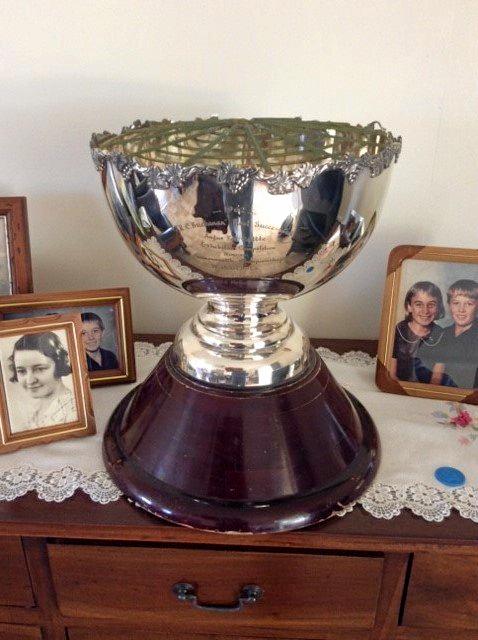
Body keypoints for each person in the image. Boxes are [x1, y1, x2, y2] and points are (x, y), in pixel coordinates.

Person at [8, 332, 78, 431]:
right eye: (21, 371)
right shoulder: (34, 409)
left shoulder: (74, 411)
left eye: (40, 369)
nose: (30, 380)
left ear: (59, 365)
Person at [391, 281, 445, 383]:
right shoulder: (398, 331)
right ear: (409, 307)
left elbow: (436, 379)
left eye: (431, 305)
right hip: (399, 389)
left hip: (427, 391)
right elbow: (391, 374)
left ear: (438, 308)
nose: (425, 311)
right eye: (419, 304)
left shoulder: (441, 335)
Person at [429, 279, 478, 389]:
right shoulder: (444, 333)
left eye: (469, 304)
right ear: (449, 305)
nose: (461, 309)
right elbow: (437, 373)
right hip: (445, 393)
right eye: (456, 303)